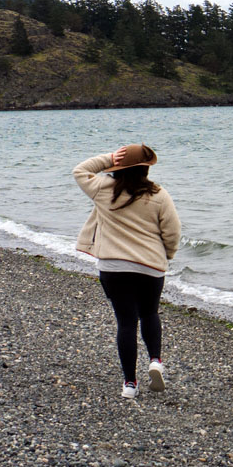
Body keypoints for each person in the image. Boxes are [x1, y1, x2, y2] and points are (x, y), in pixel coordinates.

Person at [73, 144, 181, 399]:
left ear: (117, 168)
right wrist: (168, 255)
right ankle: (155, 360)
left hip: (113, 267)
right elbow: (172, 232)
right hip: (150, 266)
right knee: (150, 312)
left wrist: (108, 158)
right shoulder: (158, 194)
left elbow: (80, 171)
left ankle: (130, 385)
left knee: (126, 322)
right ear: (145, 169)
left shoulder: (102, 189)